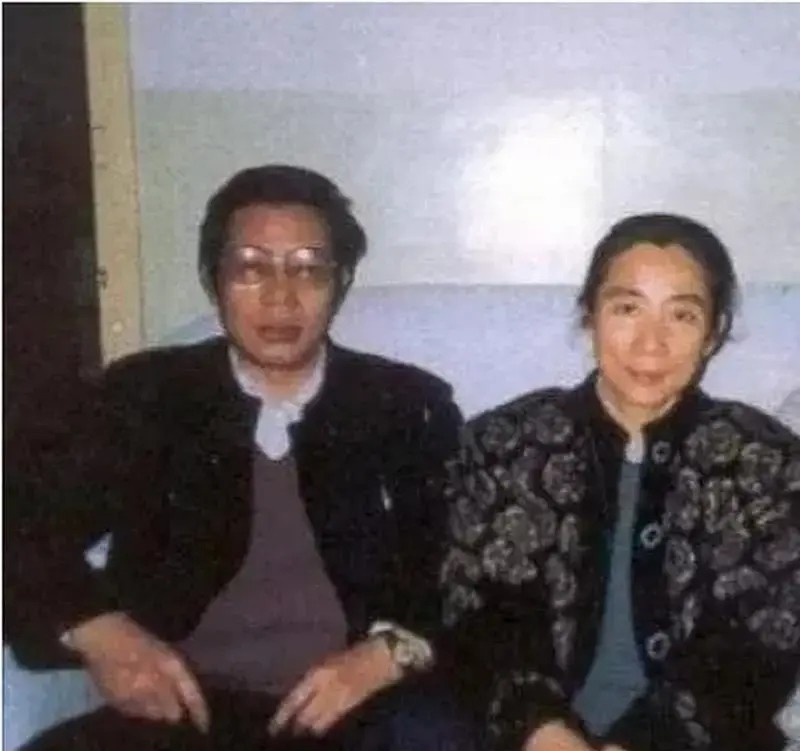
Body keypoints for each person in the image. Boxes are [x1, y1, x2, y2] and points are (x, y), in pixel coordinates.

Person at [5, 165, 473, 751]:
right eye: (251, 267)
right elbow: (19, 520)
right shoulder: (147, 396)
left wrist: (392, 652)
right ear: (213, 280)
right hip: (182, 716)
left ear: (342, 281)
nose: (281, 296)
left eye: (308, 268)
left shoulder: (405, 406)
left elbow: (472, 569)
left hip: (361, 714)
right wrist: (94, 628)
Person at [438, 213, 800, 751]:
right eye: (627, 309)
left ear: (713, 333)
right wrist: (542, 732)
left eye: (682, 315)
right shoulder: (505, 442)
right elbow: (481, 615)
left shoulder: (762, 459)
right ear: (590, 316)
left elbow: (758, 643)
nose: (651, 343)